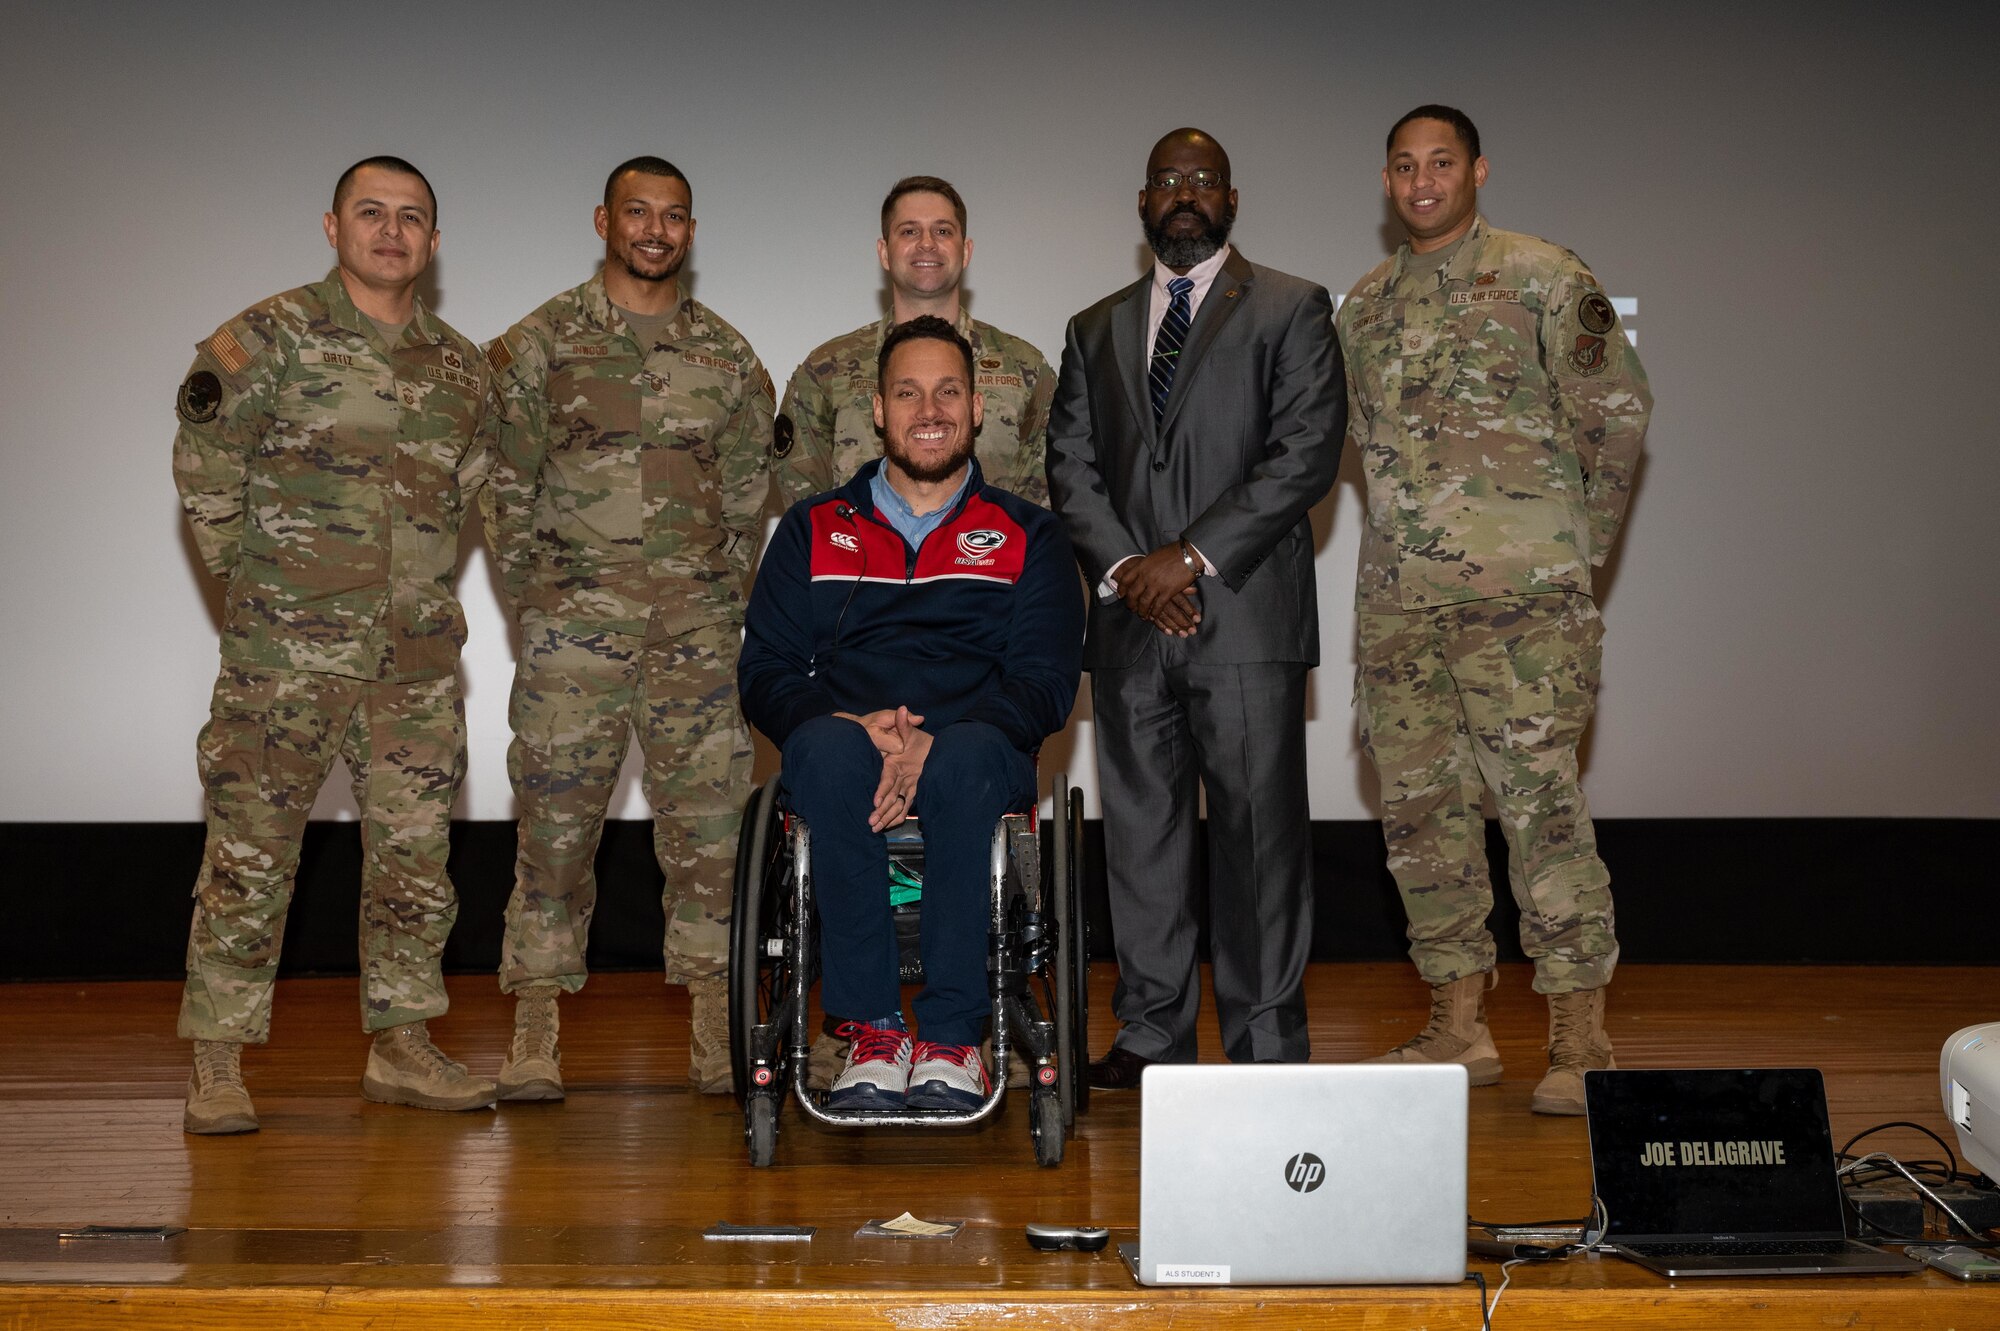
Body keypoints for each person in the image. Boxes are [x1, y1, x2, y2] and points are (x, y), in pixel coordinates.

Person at [1336, 105, 1652, 1115]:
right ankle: (1457, 1025)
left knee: (1536, 808)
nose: (1421, 181)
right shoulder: (1365, 306)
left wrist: (1565, 552)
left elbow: (1614, 417)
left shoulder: (1542, 275)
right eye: (1402, 166)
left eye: (1439, 163)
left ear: (1477, 170)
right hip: (1398, 605)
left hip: (1520, 604)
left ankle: (1577, 1033)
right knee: (1421, 819)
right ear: (1385, 182)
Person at [174, 156, 499, 1134]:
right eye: (372, 213)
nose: (391, 231)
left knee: (412, 861)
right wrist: (261, 594)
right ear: (332, 226)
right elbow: (205, 465)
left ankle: (401, 1046)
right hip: (285, 658)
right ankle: (218, 1060)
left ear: (433, 242)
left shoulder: (460, 370)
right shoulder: (266, 339)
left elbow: (471, 493)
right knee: (250, 856)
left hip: (413, 665)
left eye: (411, 218)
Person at [1045, 128, 1344, 1088]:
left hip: (1245, 619)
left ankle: (1263, 1043)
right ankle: (1152, 1037)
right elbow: (1071, 464)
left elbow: (1304, 452)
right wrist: (1135, 567)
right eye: (1167, 181)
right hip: (1132, 624)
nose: (1185, 193)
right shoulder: (1093, 328)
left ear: (1233, 199)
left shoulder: (1294, 308)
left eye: (1203, 180)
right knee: (1141, 842)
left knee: (1260, 842)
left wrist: (1192, 558)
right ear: (1141, 203)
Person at [483, 156, 774, 1098]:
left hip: (697, 634)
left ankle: (714, 1024)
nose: (655, 229)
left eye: (675, 216)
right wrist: (550, 601)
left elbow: (744, 501)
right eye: (638, 212)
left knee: (709, 835)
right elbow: (503, 485)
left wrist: (712, 599)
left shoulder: (727, 357)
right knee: (556, 832)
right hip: (576, 636)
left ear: (692, 231)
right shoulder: (539, 344)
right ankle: (534, 1027)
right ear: (603, 219)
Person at [740, 315, 1083, 1110]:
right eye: (909, 392)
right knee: (821, 752)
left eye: (948, 391)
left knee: (965, 762)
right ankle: (872, 1030)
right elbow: (765, 671)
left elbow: (1043, 679)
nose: (930, 409)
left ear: (975, 409)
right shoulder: (811, 529)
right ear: (880, 411)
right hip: (846, 744)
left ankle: (954, 1037)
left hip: (975, 748)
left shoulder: (1031, 535)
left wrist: (939, 740)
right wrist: (858, 728)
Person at [774, 176, 1053, 507]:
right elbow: (808, 508)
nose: (927, 243)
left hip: (993, 555)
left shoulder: (1025, 368)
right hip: (859, 557)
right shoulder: (825, 370)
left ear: (966, 251)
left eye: (943, 231)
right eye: (909, 231)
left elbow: (1044, 505)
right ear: (884, 252)